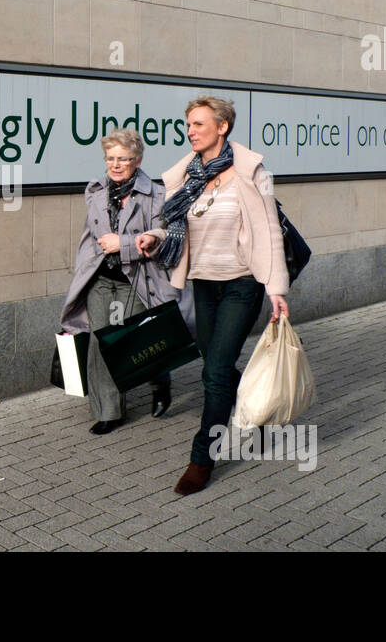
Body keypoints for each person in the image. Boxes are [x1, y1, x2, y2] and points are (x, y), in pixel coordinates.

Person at [136, 96, 289, 496]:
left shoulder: (251, 172)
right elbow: (175, 227)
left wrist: (276, 288)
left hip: (242, 284)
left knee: (215, 372)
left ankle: (202, 457)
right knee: (217, 369)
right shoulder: (189, 176)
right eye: (188, 124)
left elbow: (271, 231)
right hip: (203, 285)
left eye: (199, 124)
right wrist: (154, 237)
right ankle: (260, 415)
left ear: (222, 127)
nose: (191, 131)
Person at [59, 129, 178, 434]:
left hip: (137, 279)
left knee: (142, 340)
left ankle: (159, 381)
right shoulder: (96, 191)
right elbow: (90, 236)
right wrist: (84, 265)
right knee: (102, 342)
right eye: (110, 158)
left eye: (122, 159)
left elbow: (161, 241)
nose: (115, 164)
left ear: (137, 161)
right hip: (101, 279)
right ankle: (109, 412)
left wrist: (123, 244)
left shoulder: (156, 195)